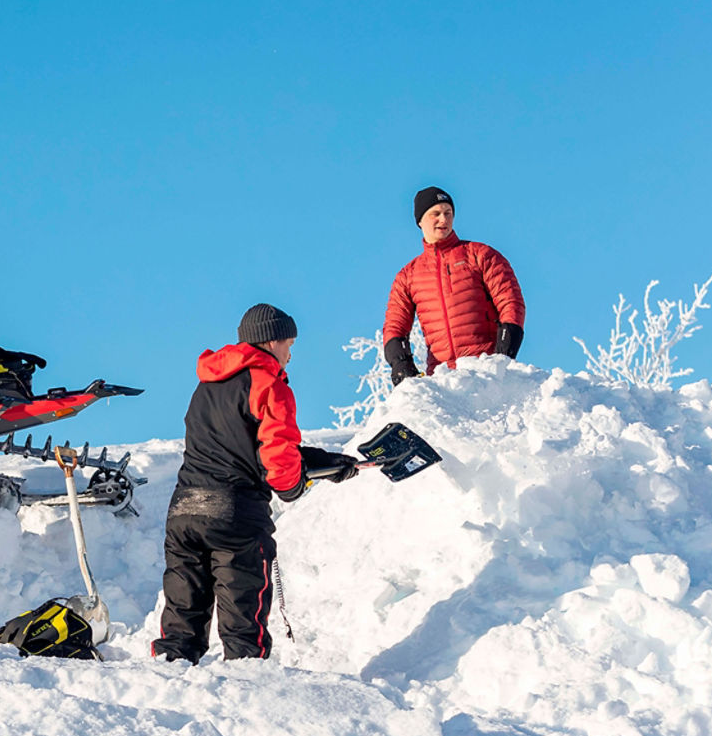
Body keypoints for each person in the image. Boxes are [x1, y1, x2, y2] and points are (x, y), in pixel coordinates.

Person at [152, 304, 359, 663]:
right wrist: (291, 487)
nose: (290, 356)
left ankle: (169, 674)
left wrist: (319, 461)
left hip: (184, 509)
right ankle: (246, 681)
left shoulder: (207, 383)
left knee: (182, 617)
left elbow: (240, 444)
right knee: (243, 624)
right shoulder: (268, 383)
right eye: (289, 345)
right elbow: (276, 452)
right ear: (272, 341)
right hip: (235, 513)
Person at [384, 186, 526, 385]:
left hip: (486, 373)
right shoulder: (408, 276)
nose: (443, 219)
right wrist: (401, 364)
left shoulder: (480, 255)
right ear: (420, 221)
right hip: (443, 378)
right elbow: (395, 326)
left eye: (448, 213)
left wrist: (504, 352)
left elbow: (510, 301)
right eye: (435, 214)